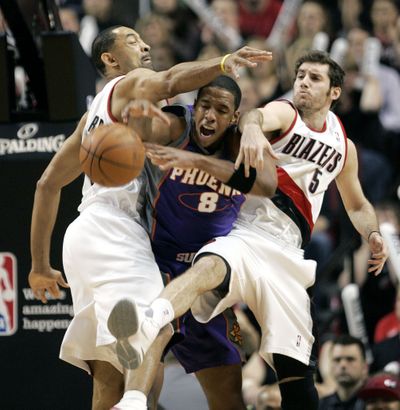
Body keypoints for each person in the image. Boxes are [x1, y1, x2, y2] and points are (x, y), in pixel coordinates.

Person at [107, 50, 389, 410]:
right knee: (212, 264)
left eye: (314, 78)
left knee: (297, 377)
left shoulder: (344, 146)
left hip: (289, 252)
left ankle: (190, 312)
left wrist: (373, 234)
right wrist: (253, 127)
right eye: (300, 74)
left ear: (334, 91)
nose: (303, 82)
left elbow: (358, 204)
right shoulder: (286, 114)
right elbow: (259, 113)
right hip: (252, 229)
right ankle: (151, 319)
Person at [28, 25, 272, 410]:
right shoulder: (131, 82)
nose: (143, 44)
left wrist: (40, 265)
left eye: (142, 38)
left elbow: (46, 184)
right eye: (130, 40)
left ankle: (131, 399)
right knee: (154, 325)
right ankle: (137, 401)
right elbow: (172, 79)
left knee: (110, 374)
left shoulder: (92, 114)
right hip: (116, 229)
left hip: (80, 235)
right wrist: (224, 61)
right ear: (110, 59)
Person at [117, 75, 277, 409]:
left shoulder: (239, 144)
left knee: (229, 398)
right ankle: (131, 399)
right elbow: (141, 125)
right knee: (152, 338)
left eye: (221, 110)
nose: (210, 116)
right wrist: (139, 105)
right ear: (195, 106)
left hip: (209, 277)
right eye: (205, 105)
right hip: (159, 264)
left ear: (234, 117)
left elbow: (266, 185)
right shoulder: (176, 129)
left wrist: (242, 133)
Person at [318, 335, 369, 409]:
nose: (343, 365)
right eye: (337, 360)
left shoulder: (373, 404)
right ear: (331, 366)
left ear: (365, 367)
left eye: (350, 359)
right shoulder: (320, 406)